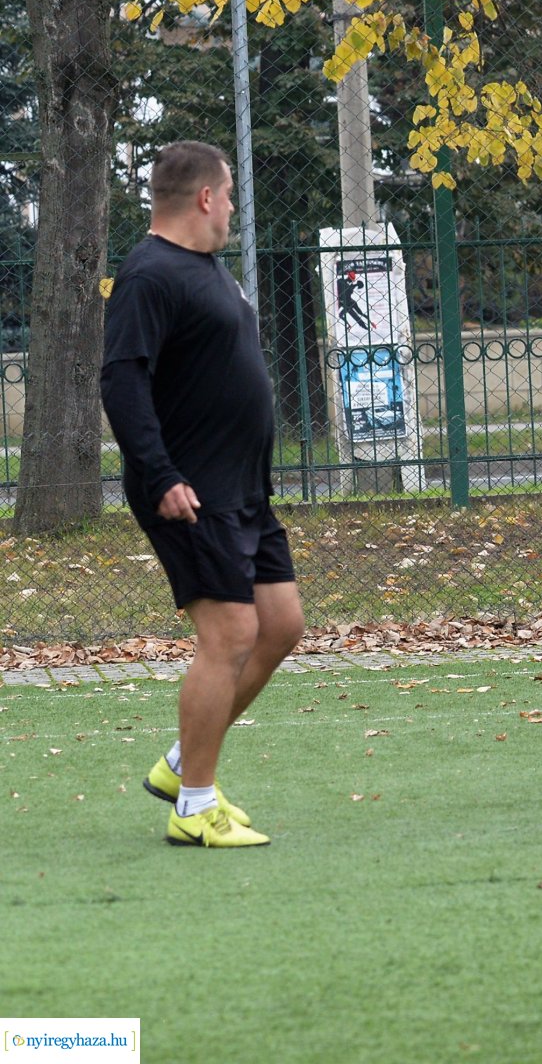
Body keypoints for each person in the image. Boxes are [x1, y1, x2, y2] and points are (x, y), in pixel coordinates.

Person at [100, 141, 304, 848]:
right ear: (207, 198)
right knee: (231, 635)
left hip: (242, 488)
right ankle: (193, 805)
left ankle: (186, 762)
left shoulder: (209, 271)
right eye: (231, 195)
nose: (234, 209)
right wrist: (161, 477)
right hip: (188, 491)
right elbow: (121, 381)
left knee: (280, 626)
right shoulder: (148, 275)